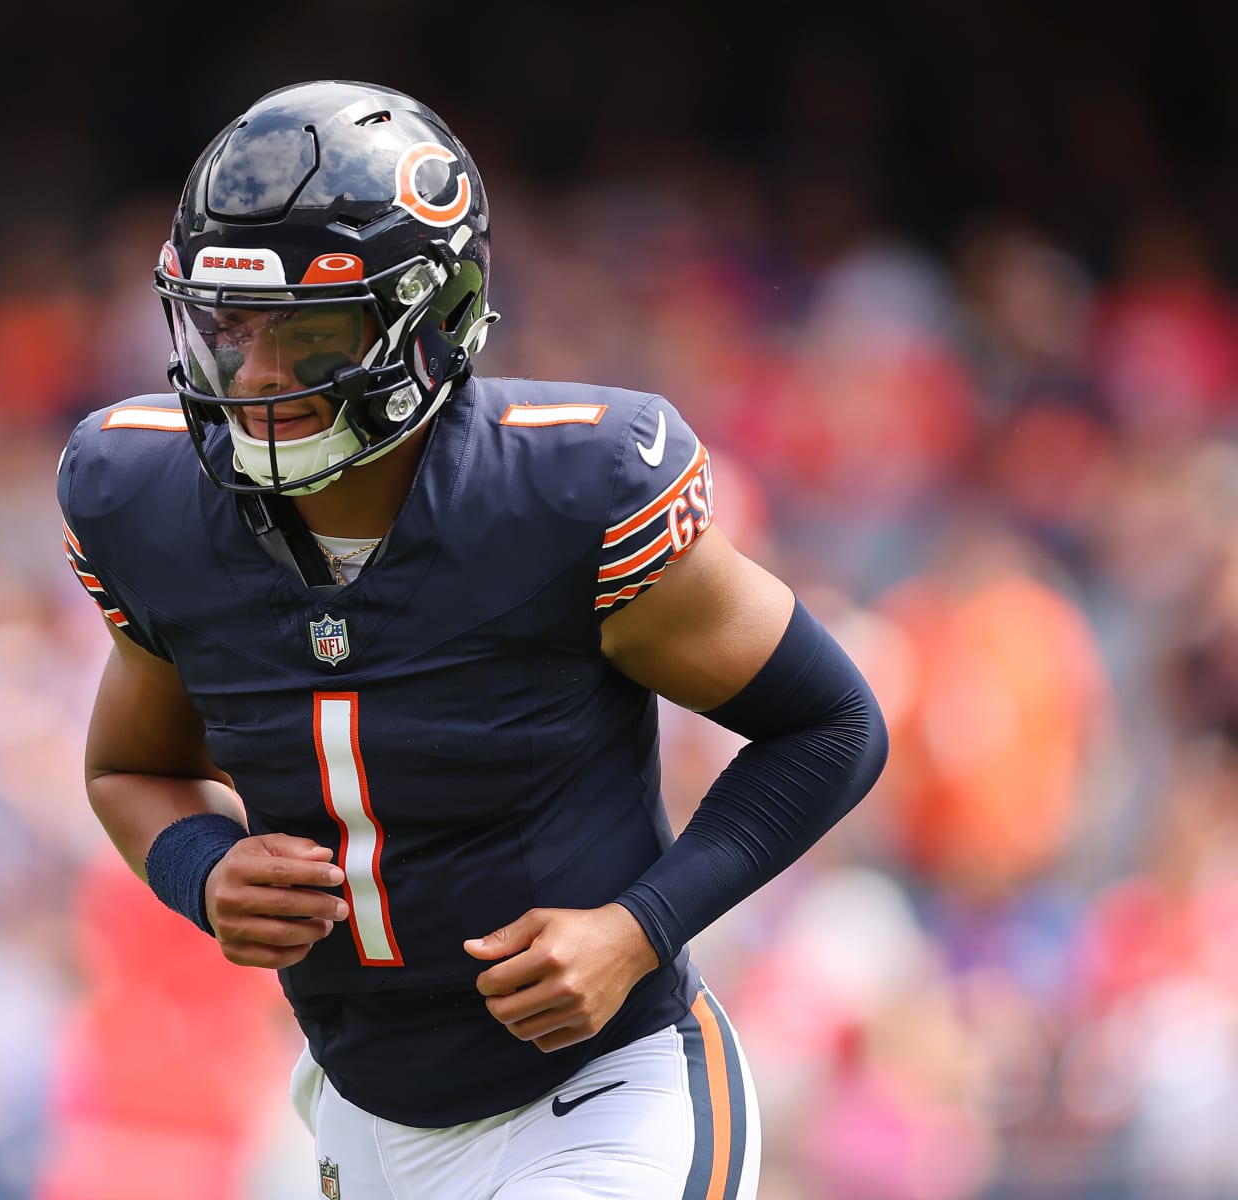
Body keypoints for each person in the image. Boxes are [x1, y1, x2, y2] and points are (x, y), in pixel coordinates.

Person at [57, 80, 888, 1199]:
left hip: (600, 1101)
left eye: (308, 333)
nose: (253, 376)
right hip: (358, 1114)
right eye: (229, 325)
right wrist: (201, 870)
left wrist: (640, 928)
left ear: (431, 317)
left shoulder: (569, 491)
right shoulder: (143, 501)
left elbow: (832, 724)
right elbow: (130, 766)